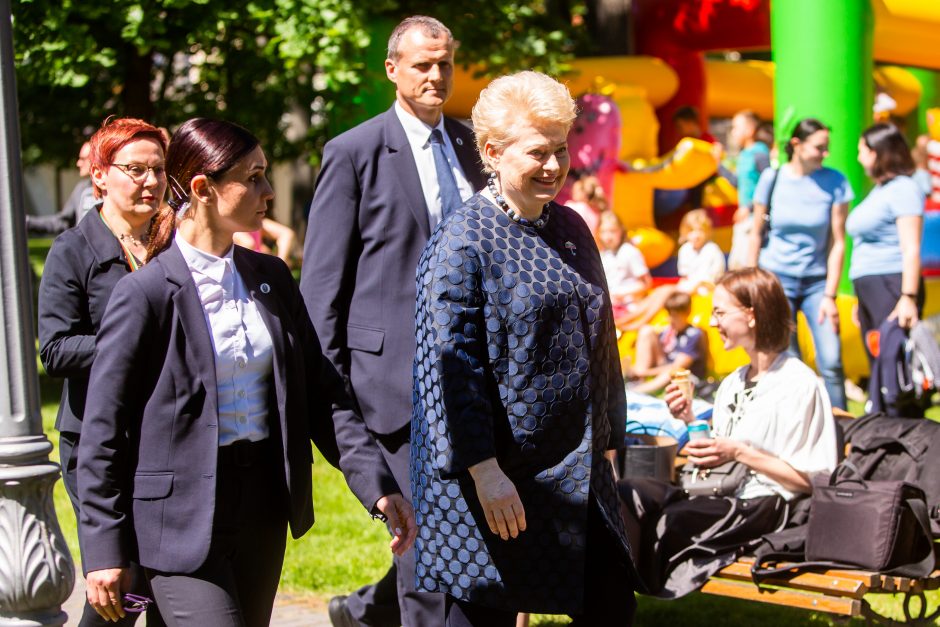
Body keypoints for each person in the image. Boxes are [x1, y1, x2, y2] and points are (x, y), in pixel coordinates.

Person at [76, 118, 415, 625]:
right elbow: (103, 431)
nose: (268, 191)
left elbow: (322, 394)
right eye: (253, 177)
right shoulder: (144, 294)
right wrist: (104, 547)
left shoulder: (271, 278)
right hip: (176, 518)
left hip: (262, 508)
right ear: (202, 188)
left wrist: (376, 484)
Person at [412, 70, 638, 627]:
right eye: (538, 152)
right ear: (491, 151)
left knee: (611, 601)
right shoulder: (462, 241)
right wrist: (484, 470)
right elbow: (448, 367)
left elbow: (601, 334)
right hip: (499, 477)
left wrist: (610, 433)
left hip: (575, 467)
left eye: (561, 150)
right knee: (487, 615)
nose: (554, 166)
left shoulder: (571, 226)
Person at [300, 15, 487, 627]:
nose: (436, 76)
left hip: (474, 382)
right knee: (427, 553)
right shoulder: (353, 153)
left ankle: (362, 613)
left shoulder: (472, 147)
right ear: (393, 70)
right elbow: (323, 285)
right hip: (395, 384)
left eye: (444, 64)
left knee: (465, 541)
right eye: (422, 65)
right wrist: (330, 389)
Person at [619, 267, 838, 598]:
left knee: (671, 521)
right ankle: (610, 598)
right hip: (722, 492)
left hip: (771, 507)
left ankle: (613, 600)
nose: (711, 321)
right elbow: (713, 461)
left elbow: (814, 481)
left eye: (719, 311)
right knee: (627, 493)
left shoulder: (799, 383)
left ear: (750, 315)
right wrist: (689, 417)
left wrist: (740, 453)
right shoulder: (734, 382)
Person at [37, 118, 167, 627]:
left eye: (158, 170)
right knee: (120, 578)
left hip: (164, 435)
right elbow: (56, 350)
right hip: (97, 439)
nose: (150, 182)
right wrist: (132, 344)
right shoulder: (74, 250)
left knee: (161, 574)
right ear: (100, 176)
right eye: (135, 169)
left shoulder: (169, 245)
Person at [747, 118, 853, 409]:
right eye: (819, 147)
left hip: (817, 282)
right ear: (797, 145)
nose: (825, 153)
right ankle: (799, 424)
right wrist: (750, 281)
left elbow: (838, 242)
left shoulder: (836, 182)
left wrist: (830, 294)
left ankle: (842, 429)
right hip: (777, 278)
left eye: (827, 147)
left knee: (831, 360)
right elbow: (756, 232)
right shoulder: (773, 179)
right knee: (789, 360)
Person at [849, 123, 925, 359]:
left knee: (896, 363)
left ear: (877, 152)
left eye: (862, 150)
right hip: (871, 287)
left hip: (892, 282)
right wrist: (860, 298)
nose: (858, 158)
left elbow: (911, 248)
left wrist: (907, 297)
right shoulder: (880, 190)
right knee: (879, 360)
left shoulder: (904, 189)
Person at [628, 292, 706, 395]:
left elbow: (678, 366)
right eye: (669, 314)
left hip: (684, 375)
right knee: (646, 331)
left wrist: (646, 372)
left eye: (674, 316)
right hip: (664, 366)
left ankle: (637, 391)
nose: (670, 319)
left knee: (672, 371)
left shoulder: (693, 334)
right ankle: (637, 380)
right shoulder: (669, 331)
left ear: (687, 313)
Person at [726, 111, 771, 270]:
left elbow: (769, 185)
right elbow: (737, 182)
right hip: (744, 218)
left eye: (736, 127)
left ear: (750, 129)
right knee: (736, 265)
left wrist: (749, 207)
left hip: (754, 218)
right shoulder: (744, 154)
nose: (733, 132)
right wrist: (718, 165)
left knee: (746, 266)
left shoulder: (759, 153)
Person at [27, 140, 99, 235]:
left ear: (96, 159)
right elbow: (63, 222)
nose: (78, 163)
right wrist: (28, 222)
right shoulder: (82, 189)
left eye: (83, 159)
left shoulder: (113, 188)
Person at [597, 210, 651, 317]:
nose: (608, 237)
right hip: (611, 305)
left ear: (621, 231)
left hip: (629, 305)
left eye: (612, 231)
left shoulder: (629, 251)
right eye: (604, 232)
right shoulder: (603, 254)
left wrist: (622, 294)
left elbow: (646, 283)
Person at [232, 216, 298, 268]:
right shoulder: (232, 226)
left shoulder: (258, 222)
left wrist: (281, 263)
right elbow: (248, 244)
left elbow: (287, 233)